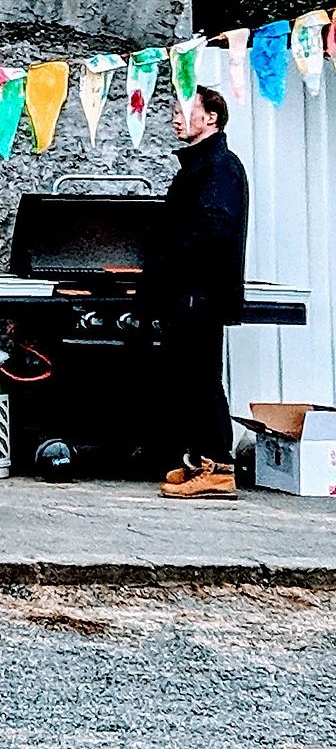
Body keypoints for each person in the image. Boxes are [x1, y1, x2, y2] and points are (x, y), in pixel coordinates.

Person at [153, 86, 250, 500]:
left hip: (200, 293)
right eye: (173, 110)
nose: (175, 117)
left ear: (211, 117)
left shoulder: (220, 167)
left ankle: (219, 467)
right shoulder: (199, 165)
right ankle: (198, 461)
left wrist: (172, 267)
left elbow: (214, 229)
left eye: (184, 110)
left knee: (202, 377)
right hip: (188, 292)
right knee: (186, 377)